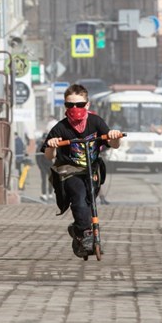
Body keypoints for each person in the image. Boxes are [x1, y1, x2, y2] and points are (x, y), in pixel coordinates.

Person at [41, 84, 122, 258]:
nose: (74, 109)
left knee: (89, 200)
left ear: (87, 104)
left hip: (92, 170)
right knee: (78, 198)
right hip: (69, 171)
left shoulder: (96, 122)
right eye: (70, 105)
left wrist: (114, 137)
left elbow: (112, 144)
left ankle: (77, 228)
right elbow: (48, 156)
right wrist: (52, 145)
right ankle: (85, 234)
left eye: (79, 104)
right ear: (65, 106)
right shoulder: (60, 127)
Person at [35, 134, 54, 202]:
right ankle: (43, 194)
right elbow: (38, 159)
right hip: (43, 165)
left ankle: (50, 193)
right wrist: (40, 167)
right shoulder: (40, 147)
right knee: (44, 180)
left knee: (51, 179)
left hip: (49, 164)